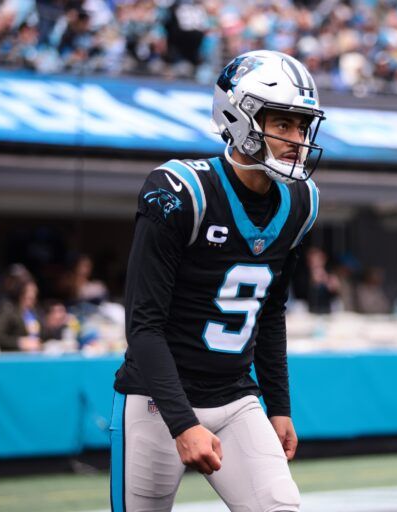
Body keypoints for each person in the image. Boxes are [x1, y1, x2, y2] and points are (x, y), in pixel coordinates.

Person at [111, 50, 325, 512]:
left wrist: (279, 405)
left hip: (235, 397)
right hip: (156, 402)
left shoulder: (301, 203)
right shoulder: (179, 191)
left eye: (301, 127)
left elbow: (269, 313)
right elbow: (143, 325)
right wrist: (182, 422)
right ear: (238, 116)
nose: (296, 140)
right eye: (283, 124)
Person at [0, 279, 42, 352]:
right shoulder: (9, 312)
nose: (33, 295)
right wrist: (19, 342)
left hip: (35, 356)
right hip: (14, 357)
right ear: (21, 293)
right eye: (30, 291)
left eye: (35, 292)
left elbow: (41, 334)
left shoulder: (35, 312)